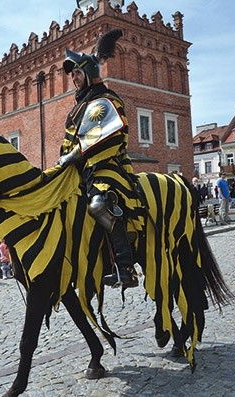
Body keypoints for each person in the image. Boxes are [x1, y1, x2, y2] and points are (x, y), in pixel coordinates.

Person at [58, 29, 140, 288]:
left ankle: (125, 268)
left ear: (90, 74)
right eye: (72, 75)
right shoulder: (80, 105)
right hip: (82, 169)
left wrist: (71, 156)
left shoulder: (104, 99)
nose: (74, 78)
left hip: (107, 165)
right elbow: (71, 138)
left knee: (98, 205)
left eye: (78, 73)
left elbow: (103, 135)